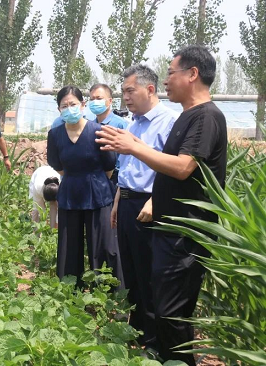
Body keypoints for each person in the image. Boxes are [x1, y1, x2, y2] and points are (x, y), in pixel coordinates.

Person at [96, 45, 227, 365]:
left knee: (170, 312)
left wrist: (134, 148)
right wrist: (136, 145)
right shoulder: (188, 116)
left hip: (186, 231)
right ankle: (160, 355)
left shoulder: (206, 117)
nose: (167, 80)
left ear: (192, 74)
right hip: (171, 229)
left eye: (171, 73)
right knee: (161, 304)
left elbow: (183, 167)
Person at [112, 64, 178, 353]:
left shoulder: (169, 121)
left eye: (130, 90)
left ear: (150, 89)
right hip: (127, 202)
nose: (125, 97)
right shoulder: (132, 123)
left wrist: (154, 200)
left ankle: (153, 341)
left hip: (149, 204)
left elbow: (171, 168)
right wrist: (117, 202)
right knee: (132, 272)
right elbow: (125, 168)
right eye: (123, 91)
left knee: (150, 273)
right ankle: (137, 332)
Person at [47, 85, 124, 288]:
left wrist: (91, 179)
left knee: (103, 246)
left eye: (73, 104)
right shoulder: (55, 134)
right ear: (59, 109)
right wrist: (76, 177)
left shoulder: (99, 131)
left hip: (97, 193)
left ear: (82, 105)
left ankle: (107, 291)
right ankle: (70, 289)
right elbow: (57, 165)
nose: (69, 108)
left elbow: (109, 166)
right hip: (70, 193)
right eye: (64, 105)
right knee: (68, 246)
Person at [88, 84, 128, 185]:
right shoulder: (90, 126)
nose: (94, 102)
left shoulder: (120, 124)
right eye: (92, 99)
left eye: (99, 98)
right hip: (94, 177)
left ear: (110, 101)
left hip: (115, 178)